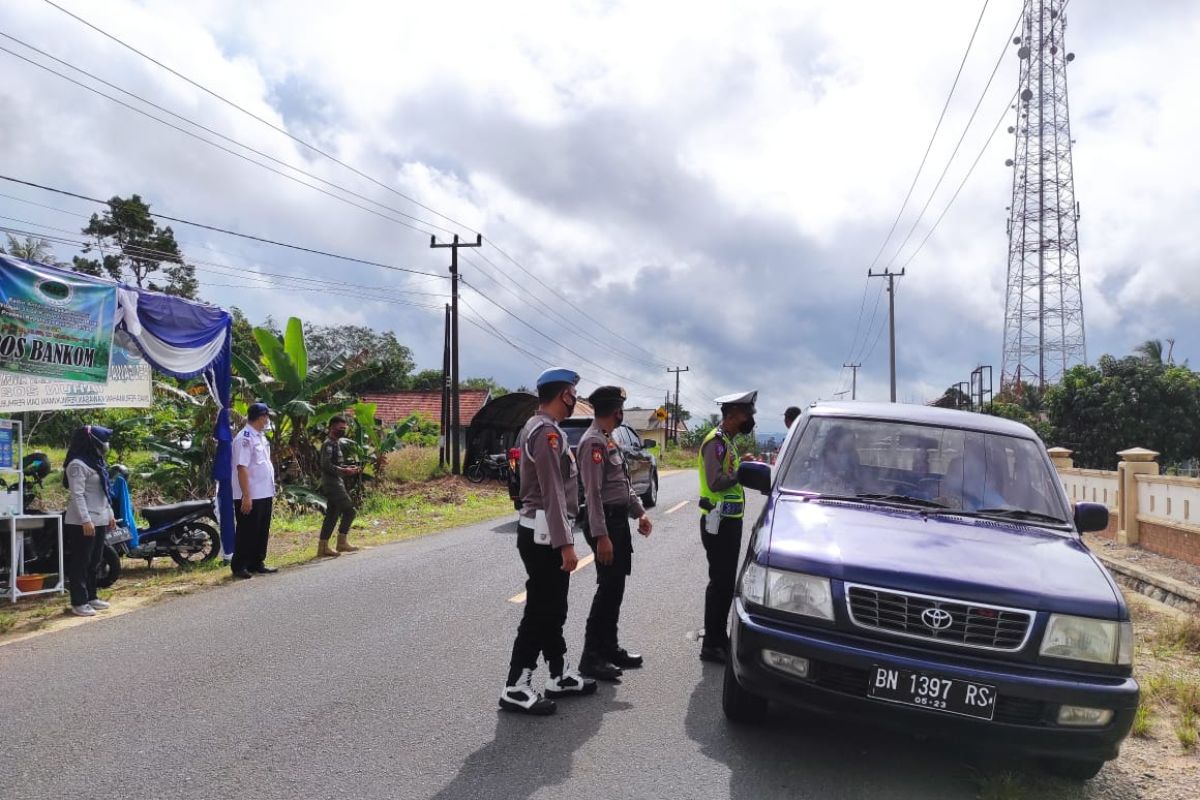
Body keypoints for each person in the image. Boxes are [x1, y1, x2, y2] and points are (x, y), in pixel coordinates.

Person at [499, 368, 596, 715]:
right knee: (540, 610)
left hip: (546, 533)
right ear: (564, 395)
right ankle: (515, 684)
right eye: (573, 394)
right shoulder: (545, 434)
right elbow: (552, 492)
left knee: (554, 608)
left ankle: (558, 673)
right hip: (543, 536)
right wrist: (566, 543)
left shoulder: (546, 430)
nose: (575, 400)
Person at [577, 385, 653, 682]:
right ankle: (591, 658)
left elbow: (623, 484)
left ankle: (609, 648)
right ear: (616, 410)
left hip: (618, 521)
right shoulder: (593, 443)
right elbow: (593, 494)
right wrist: (601, 536)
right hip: (605, 524)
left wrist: (640, 512)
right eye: (622, 407)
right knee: (607, 590)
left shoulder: (610, 440)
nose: (623, 412)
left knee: (615, 589)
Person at [697, 390, 757, 663]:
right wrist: (740, 473)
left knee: (725, 584)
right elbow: (715, 482)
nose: (750, 419)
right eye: (747, 414)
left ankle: (719, 638)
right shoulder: (716, 442)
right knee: (719, 583)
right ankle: (711, 643)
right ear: (732, 416)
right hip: (718, 523)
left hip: (729, 522)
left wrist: (739, 467)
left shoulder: (728, 442)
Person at [62, 425, 116, 617]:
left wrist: (109, 514)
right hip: (81, 522)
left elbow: (104, 491)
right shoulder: (77, 464)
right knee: (81, 562)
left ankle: (91, 596)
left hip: (99, 518)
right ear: (92, 441)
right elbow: (77, 495)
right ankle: (79, 601)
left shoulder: (97, 462)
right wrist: (85, 520)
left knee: (95, 561)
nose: (106, 445)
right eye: (104, 441)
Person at [230, 402, 278, 579]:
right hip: (251, 493)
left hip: (265, 491)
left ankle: (257, 562)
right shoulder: (245, 438)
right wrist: (246, 496)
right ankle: (239, 565)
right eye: (266, 416)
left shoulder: (260, 436)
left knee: (261, 530)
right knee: (247, 530)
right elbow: (242, 468)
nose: (267, 419)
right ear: (261, 417)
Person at [317, 415, 361, 558]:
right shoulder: (328, 444)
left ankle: (323, 548)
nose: (342, 430)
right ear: (331, 428)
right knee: (350, 511)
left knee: (332, 514)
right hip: (332, 483)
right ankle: (341, 542)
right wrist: (343, 471)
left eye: (344, 428)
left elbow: (337, 464)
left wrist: (349, 467)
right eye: (339, 428)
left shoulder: (336, 444)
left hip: (336, 481)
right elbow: (326, 464)